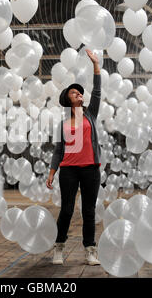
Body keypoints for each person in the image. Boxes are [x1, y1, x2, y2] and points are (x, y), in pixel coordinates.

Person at [46, 49, 102, 266]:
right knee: (67, 210)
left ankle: (90, 250)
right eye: (73, 92)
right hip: (68, 170)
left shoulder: (90, 114)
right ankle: (59, 247)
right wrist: (52, 172)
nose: (79, 93)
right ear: (67, 100)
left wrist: (96, 64)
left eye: (80, 92)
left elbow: (97, 90)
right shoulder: (63, 125)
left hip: (91, 169)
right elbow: (58, 151)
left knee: (89, 210)